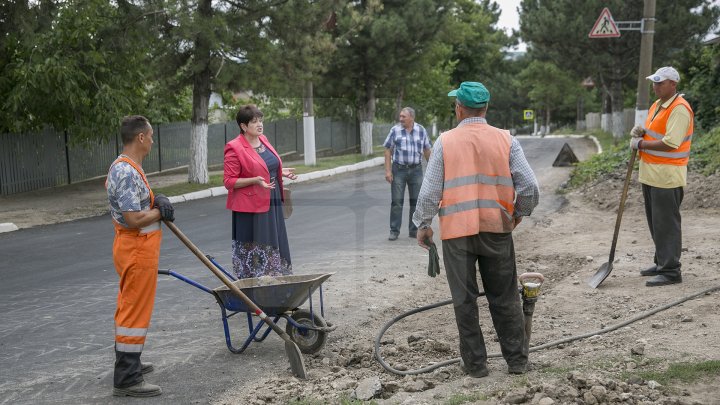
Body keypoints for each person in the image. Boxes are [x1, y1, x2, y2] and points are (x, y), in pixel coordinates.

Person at [412, 82, 539, 378]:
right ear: (485, 108)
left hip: (458, 235)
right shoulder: (506, 140)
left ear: (459, 108)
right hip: (497, 230)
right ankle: (517, 361)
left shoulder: (446, 141)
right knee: (505, 296)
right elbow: (530, 187)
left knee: (464, 299)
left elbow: (430, 192)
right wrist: (518, 213)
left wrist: (423, 225)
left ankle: (476, 365)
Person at [106, 115, 175, 397]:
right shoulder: (124, 170)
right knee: (134, 311)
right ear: (141, 138)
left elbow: (138, 203)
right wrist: (161, 211)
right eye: (151, 135)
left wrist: (156, 200)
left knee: (131, 307)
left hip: (139, 247)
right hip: (136, 247)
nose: (153, 140)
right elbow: (134, 218)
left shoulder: (132, 168)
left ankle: (130, 361)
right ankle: (127, 378)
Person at [629, 66, 694, 287]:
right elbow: (656, 132)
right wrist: (642, 132)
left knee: (667, 224)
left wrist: (641, 143)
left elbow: (670, 142)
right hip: (651, 174)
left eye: (660, 82)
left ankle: (671, 270)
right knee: (656, 223)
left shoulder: (679, 109)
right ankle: (661, 262)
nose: (655, 86)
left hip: (667, 176)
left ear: (673, 84)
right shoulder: (658, 105)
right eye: (654, 82)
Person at [224, 105, 297, 279]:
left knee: (275, 241)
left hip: (271, 200)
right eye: (254, 121)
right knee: (258, 246)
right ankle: (255, 286)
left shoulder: (263, 139)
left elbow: (267, 165)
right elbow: (229, 182)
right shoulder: (234, 147)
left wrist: (281, 171)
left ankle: (277, 279)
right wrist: (255, 181)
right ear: (243, 126)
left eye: (260, 120)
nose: (259, 124)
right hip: (251, 208)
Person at [383, 107, 432, 241]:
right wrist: (388, 171)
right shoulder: (395, 130)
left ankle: (413, 230)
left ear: (411, 117)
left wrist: (432, 169)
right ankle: (394, 230)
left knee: (416, 201)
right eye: (400, 116)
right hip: (398, 170)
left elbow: (427, 150)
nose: (401, 119)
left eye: (403, 116)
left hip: (416, 170)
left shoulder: (421, 130)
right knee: (397, 202)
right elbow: (387, 150)